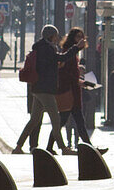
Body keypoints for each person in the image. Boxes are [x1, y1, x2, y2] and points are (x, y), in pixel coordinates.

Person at [12, 25, 73, 154]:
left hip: (38, 88)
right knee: (56, 119)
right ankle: (63, 148)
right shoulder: (46, 49)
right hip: (45, 90)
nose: (57, 38)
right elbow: (60, 58)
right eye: (56, 35)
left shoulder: (42, 47)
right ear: (51, 36)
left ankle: (18, 147)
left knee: (34, 120)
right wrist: (76, 48)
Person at [46, 28, 96, 154]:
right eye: (78, 37)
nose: (81, 39)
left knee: (78, 122)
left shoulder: (73, 53)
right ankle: (90, 149)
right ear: (72, 38)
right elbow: (65, 73)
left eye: (82, 36)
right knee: (68, 121)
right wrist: (80, 82)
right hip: (69, 93)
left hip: (73, 91)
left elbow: (70, 73)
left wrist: (79, 82)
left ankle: (89, 148)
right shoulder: (69, 53)